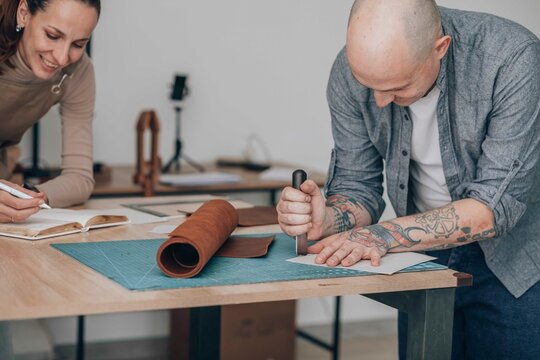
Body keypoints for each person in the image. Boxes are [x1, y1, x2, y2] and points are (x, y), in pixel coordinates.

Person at [277, 0, 539, 359]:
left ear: (440, 48)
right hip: (422, 257)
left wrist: (381, 235)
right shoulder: (348, 70)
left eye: (398, 87)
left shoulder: (512, 59)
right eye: (368, 86)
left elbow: (494, 207)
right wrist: (329, 217)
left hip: (518, 264)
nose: (381, 102)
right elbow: (357, 187)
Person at [0, 0, 100, 357]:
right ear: (25, 13)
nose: (61, 57)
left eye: (78, 43)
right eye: (53, 35)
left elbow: (79, 178)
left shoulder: (78, 73)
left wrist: (29, 196)